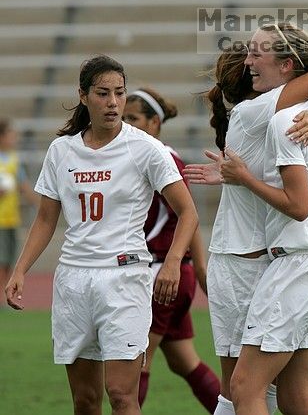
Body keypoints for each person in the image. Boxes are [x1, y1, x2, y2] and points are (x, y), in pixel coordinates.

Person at [4, 55, 199, 415]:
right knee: (85, 400)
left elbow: (188, 212)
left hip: (125, 279)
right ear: (83, 96)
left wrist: (172, 262)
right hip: (74, 282)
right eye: (103, 93)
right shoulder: (62, 150)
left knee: (122, 395)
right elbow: (46, 219)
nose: (113, 103)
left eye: (119, 93)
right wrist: (20, 271)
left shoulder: (146, 149)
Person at [183, 24, 308, 415]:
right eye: (249, 56)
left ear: (285, 68)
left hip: (261, 261)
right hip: (285, 259)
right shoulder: (271, 115)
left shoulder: (269, 117)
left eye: (258, 55)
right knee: (287, 398)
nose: (253, 62)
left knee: (241, 391)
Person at [122, 87, 220, 413]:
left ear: (154, 122)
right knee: (185, 363)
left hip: (161, 274)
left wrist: (193, 268)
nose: (126, 123)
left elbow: (186, 216)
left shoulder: (159, 158)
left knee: (136, 367)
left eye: (133, 118)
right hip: (175, 274)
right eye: (124, 117)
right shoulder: (142, 155)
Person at [0, 118, 40, 298]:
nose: (14, 137)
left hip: (11, 219)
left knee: (9, 260)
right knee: (1, 260)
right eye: (10, 134)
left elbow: (24, 186)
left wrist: (40, 206)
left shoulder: (14, 160)